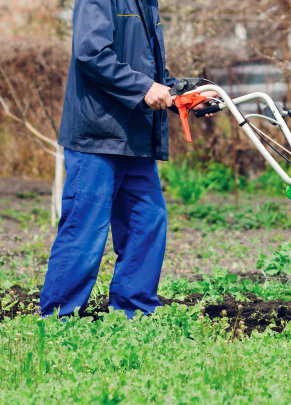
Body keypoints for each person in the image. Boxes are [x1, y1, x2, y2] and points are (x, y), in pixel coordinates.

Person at [39, 0, 215, 318]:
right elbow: (91, 54)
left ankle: (132, 311)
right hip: (97, 135)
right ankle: (56, 318)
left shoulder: (147, 3)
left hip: (133, 136)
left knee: (147, 221)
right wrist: (144, 87)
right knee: (86, 227)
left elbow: (150, 73)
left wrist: (182, 96)